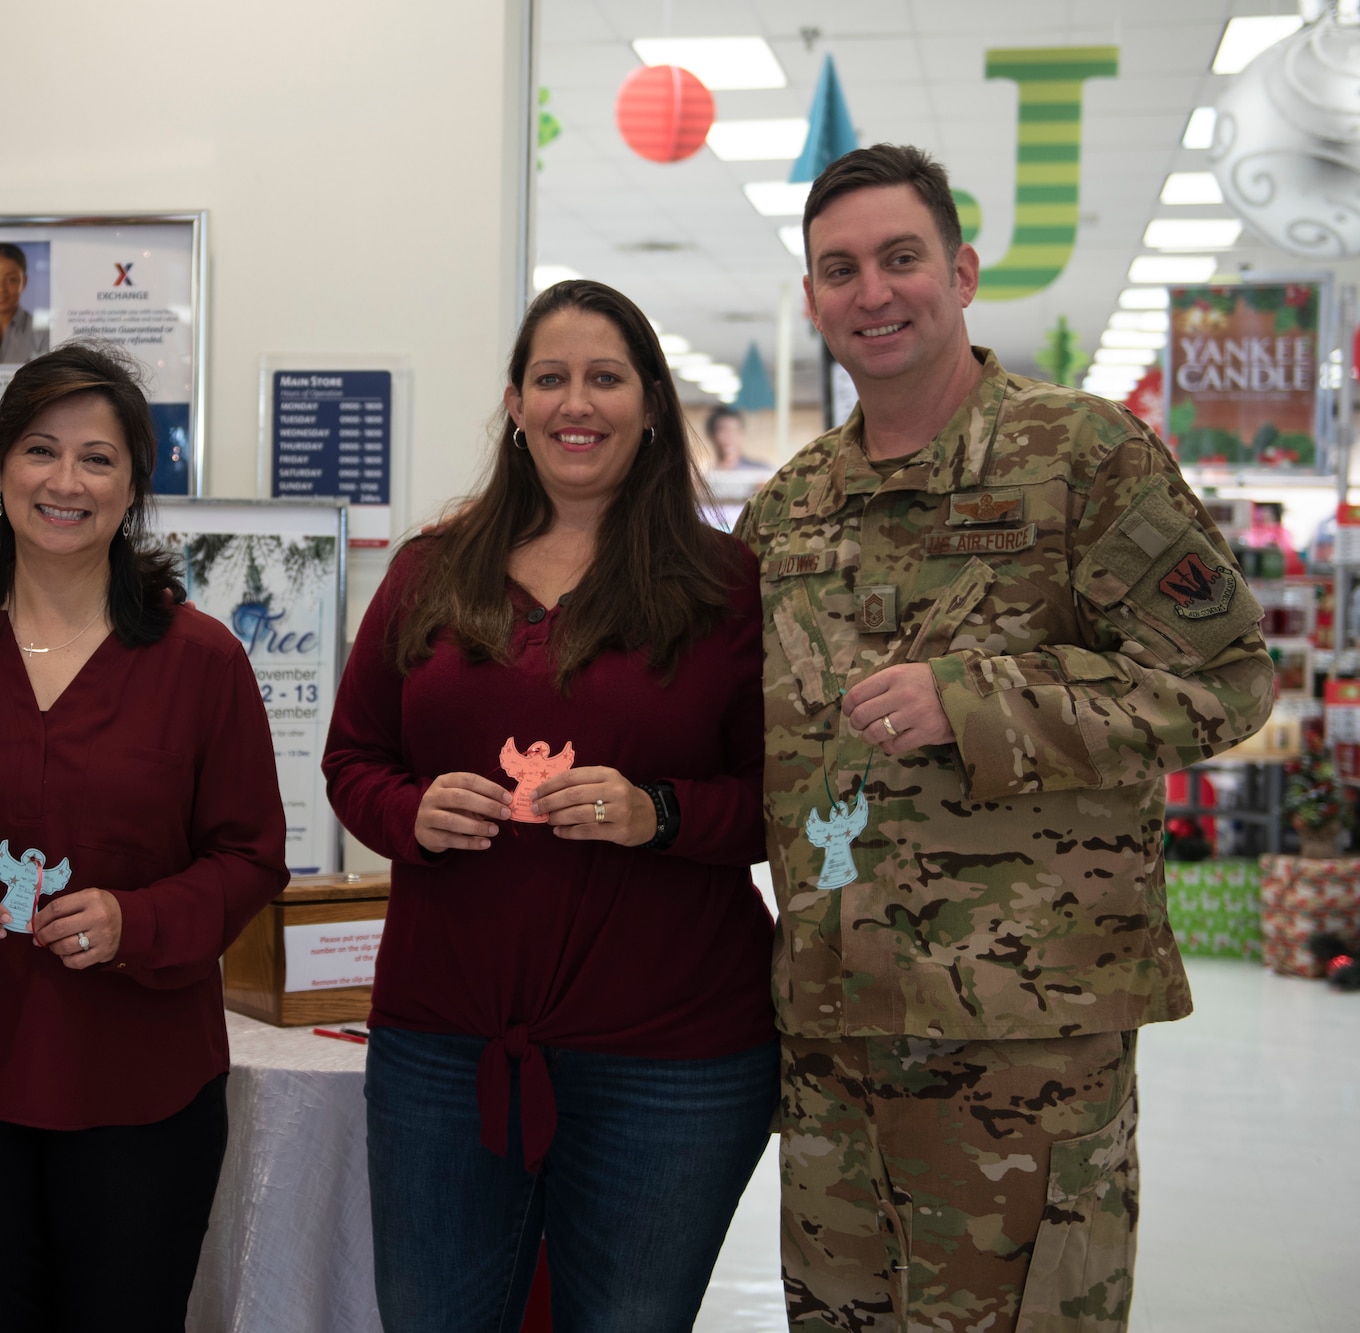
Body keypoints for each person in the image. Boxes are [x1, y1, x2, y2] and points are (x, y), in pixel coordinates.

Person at [735, 144, 1275, 1332]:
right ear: (814, 299)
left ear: (962, 272)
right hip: (833, 1037)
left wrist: (979, 702)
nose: (870, 291)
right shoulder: (787, 507)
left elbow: (1227, 678)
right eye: (838, 270)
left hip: (1024, 1040)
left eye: (899, 258)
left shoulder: (1082, 457)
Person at [323, 279, 777, 1331]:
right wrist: (410, 811)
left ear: (652, 404)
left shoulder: (723, 587)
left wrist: (656, 813)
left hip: (674, 1062)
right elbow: (353, 757)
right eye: (551, 378)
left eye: (605, 378)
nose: (577, 402)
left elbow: (780, 801)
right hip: (441, 1048)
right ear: (515, 405)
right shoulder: (429, 572)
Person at [0, 342, 289, 1331]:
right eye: (41, 450)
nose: (65, 481)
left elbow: (248, 852)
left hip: (138, 1084)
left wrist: (139, 920)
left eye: (97, 458)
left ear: (135, 482)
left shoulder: (201, 661)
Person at [705, 404, 770, 475]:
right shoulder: (706, 474)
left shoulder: (761, 471)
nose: (730, 437)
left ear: (742, 434)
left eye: (735, 430)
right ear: (711, 435)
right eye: (723, 430)